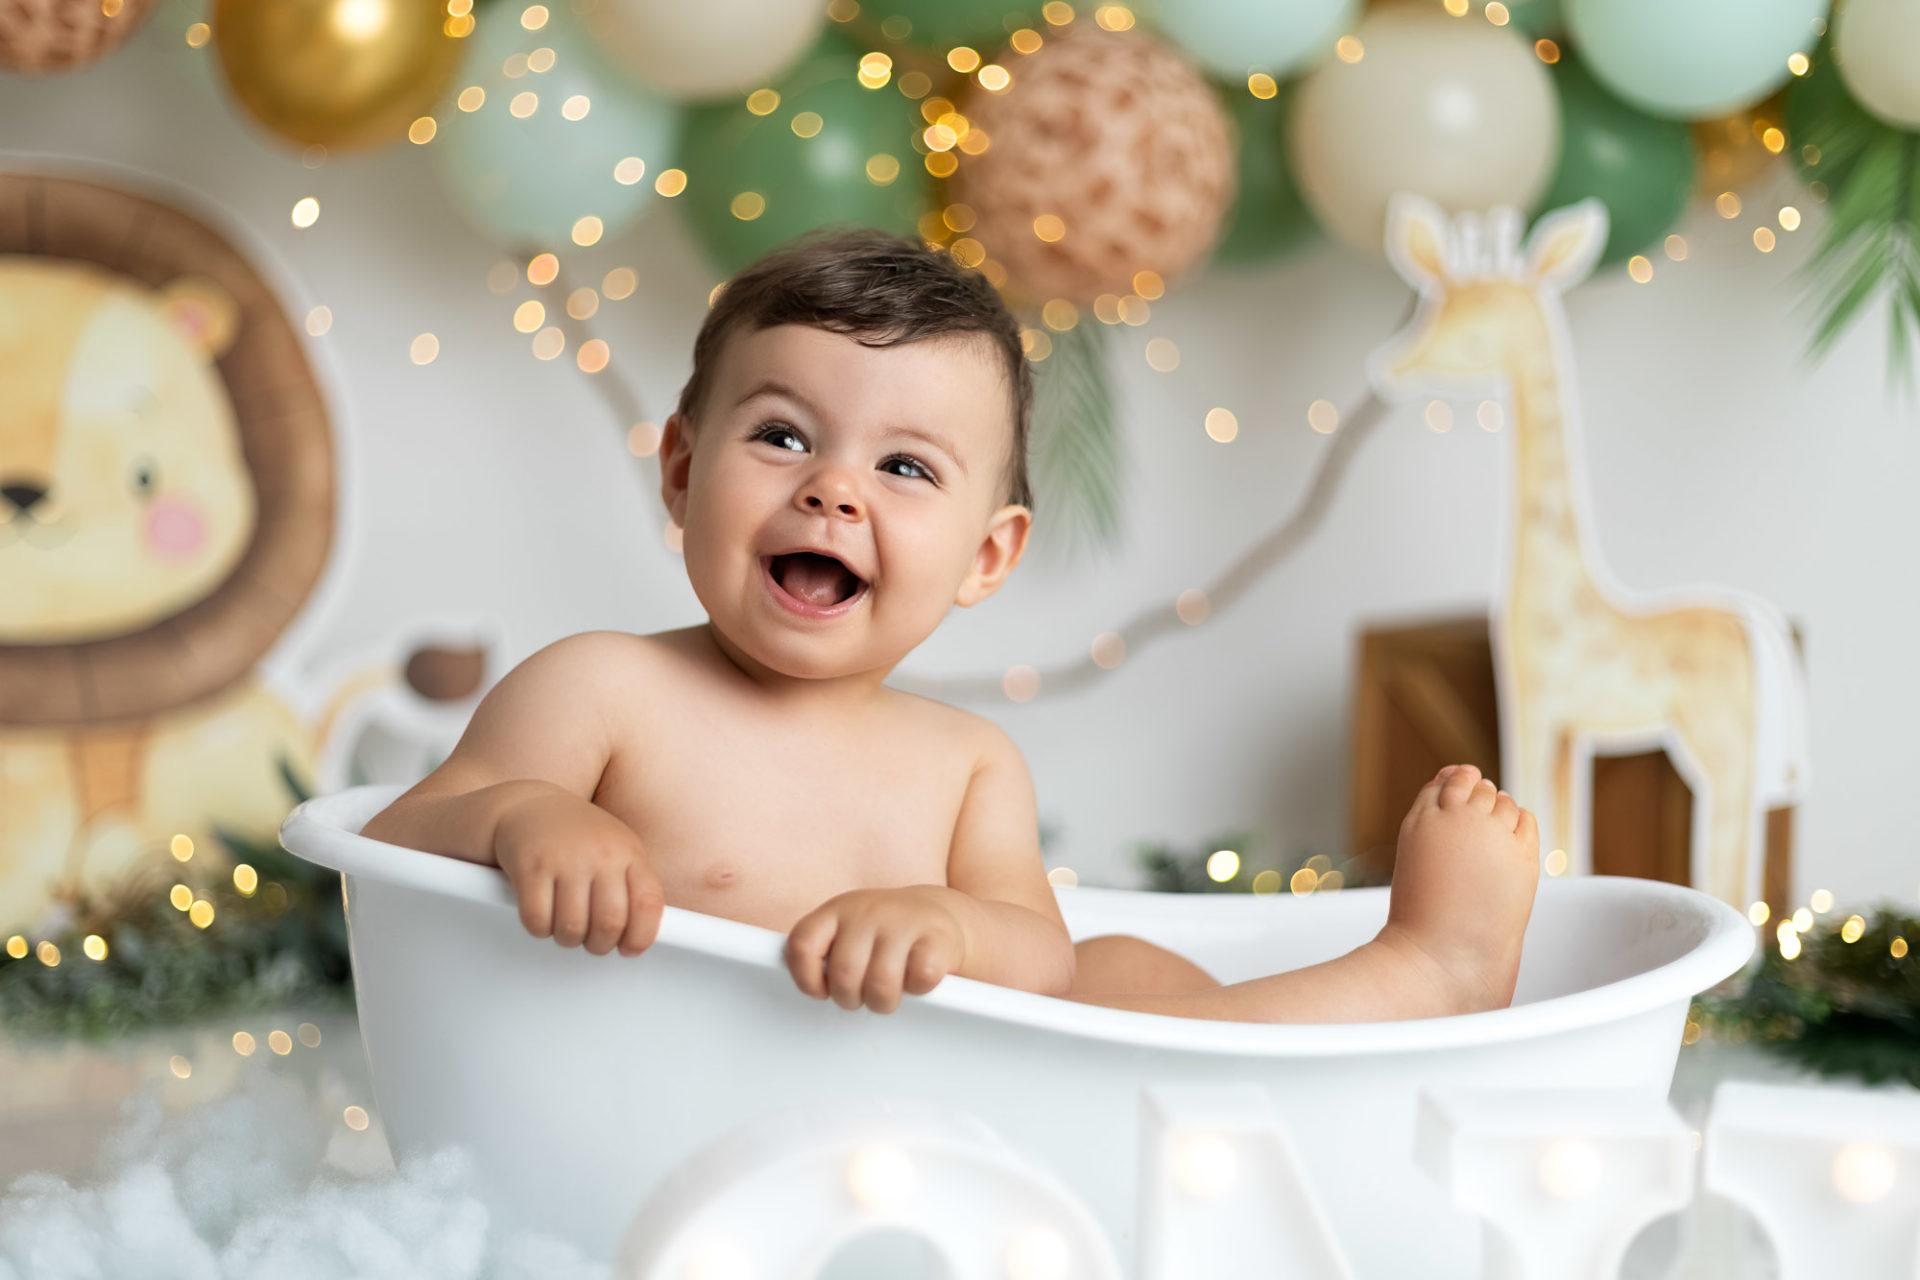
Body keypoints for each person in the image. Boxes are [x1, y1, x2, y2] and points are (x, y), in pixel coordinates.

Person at [360, 227, 1540, 1023]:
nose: (833, 490)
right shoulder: (600, 689)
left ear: (986, 555)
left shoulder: (964, 761)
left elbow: (1032, 952)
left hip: (939, 1097)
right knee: (1114, 984)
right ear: (679, 468)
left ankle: (1426, 964)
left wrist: (942, 924)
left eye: (907, 466)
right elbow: (404, 831)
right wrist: (526, 813)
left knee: (1121, 978)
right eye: (781, 435)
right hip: (695, 1086)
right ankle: (1420, 971)